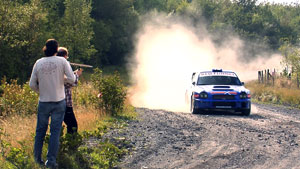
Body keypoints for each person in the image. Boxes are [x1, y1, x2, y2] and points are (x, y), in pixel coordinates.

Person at [29, 39, 76, 168]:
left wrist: (41, 90)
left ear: (45, 49)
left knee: (40, 131)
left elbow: (32, 84)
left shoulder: (38, 62)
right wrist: (62, 78)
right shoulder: (62, 61)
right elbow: (72, 79)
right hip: (58, 101)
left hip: (44, 101)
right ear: (56, 49)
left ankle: (37, 160)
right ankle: (51, 162)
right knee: (55, 132)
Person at [56, 47, 82, 134]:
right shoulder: (63, 65)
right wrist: (77, 75)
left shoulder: (55, 67)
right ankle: (71, 145)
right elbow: (72, 83)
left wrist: (73, 73)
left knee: (57, 126)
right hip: (65, 102)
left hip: (55, 101)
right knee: (73, 125)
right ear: (64, 56)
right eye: (66, 56)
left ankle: (61, 145)